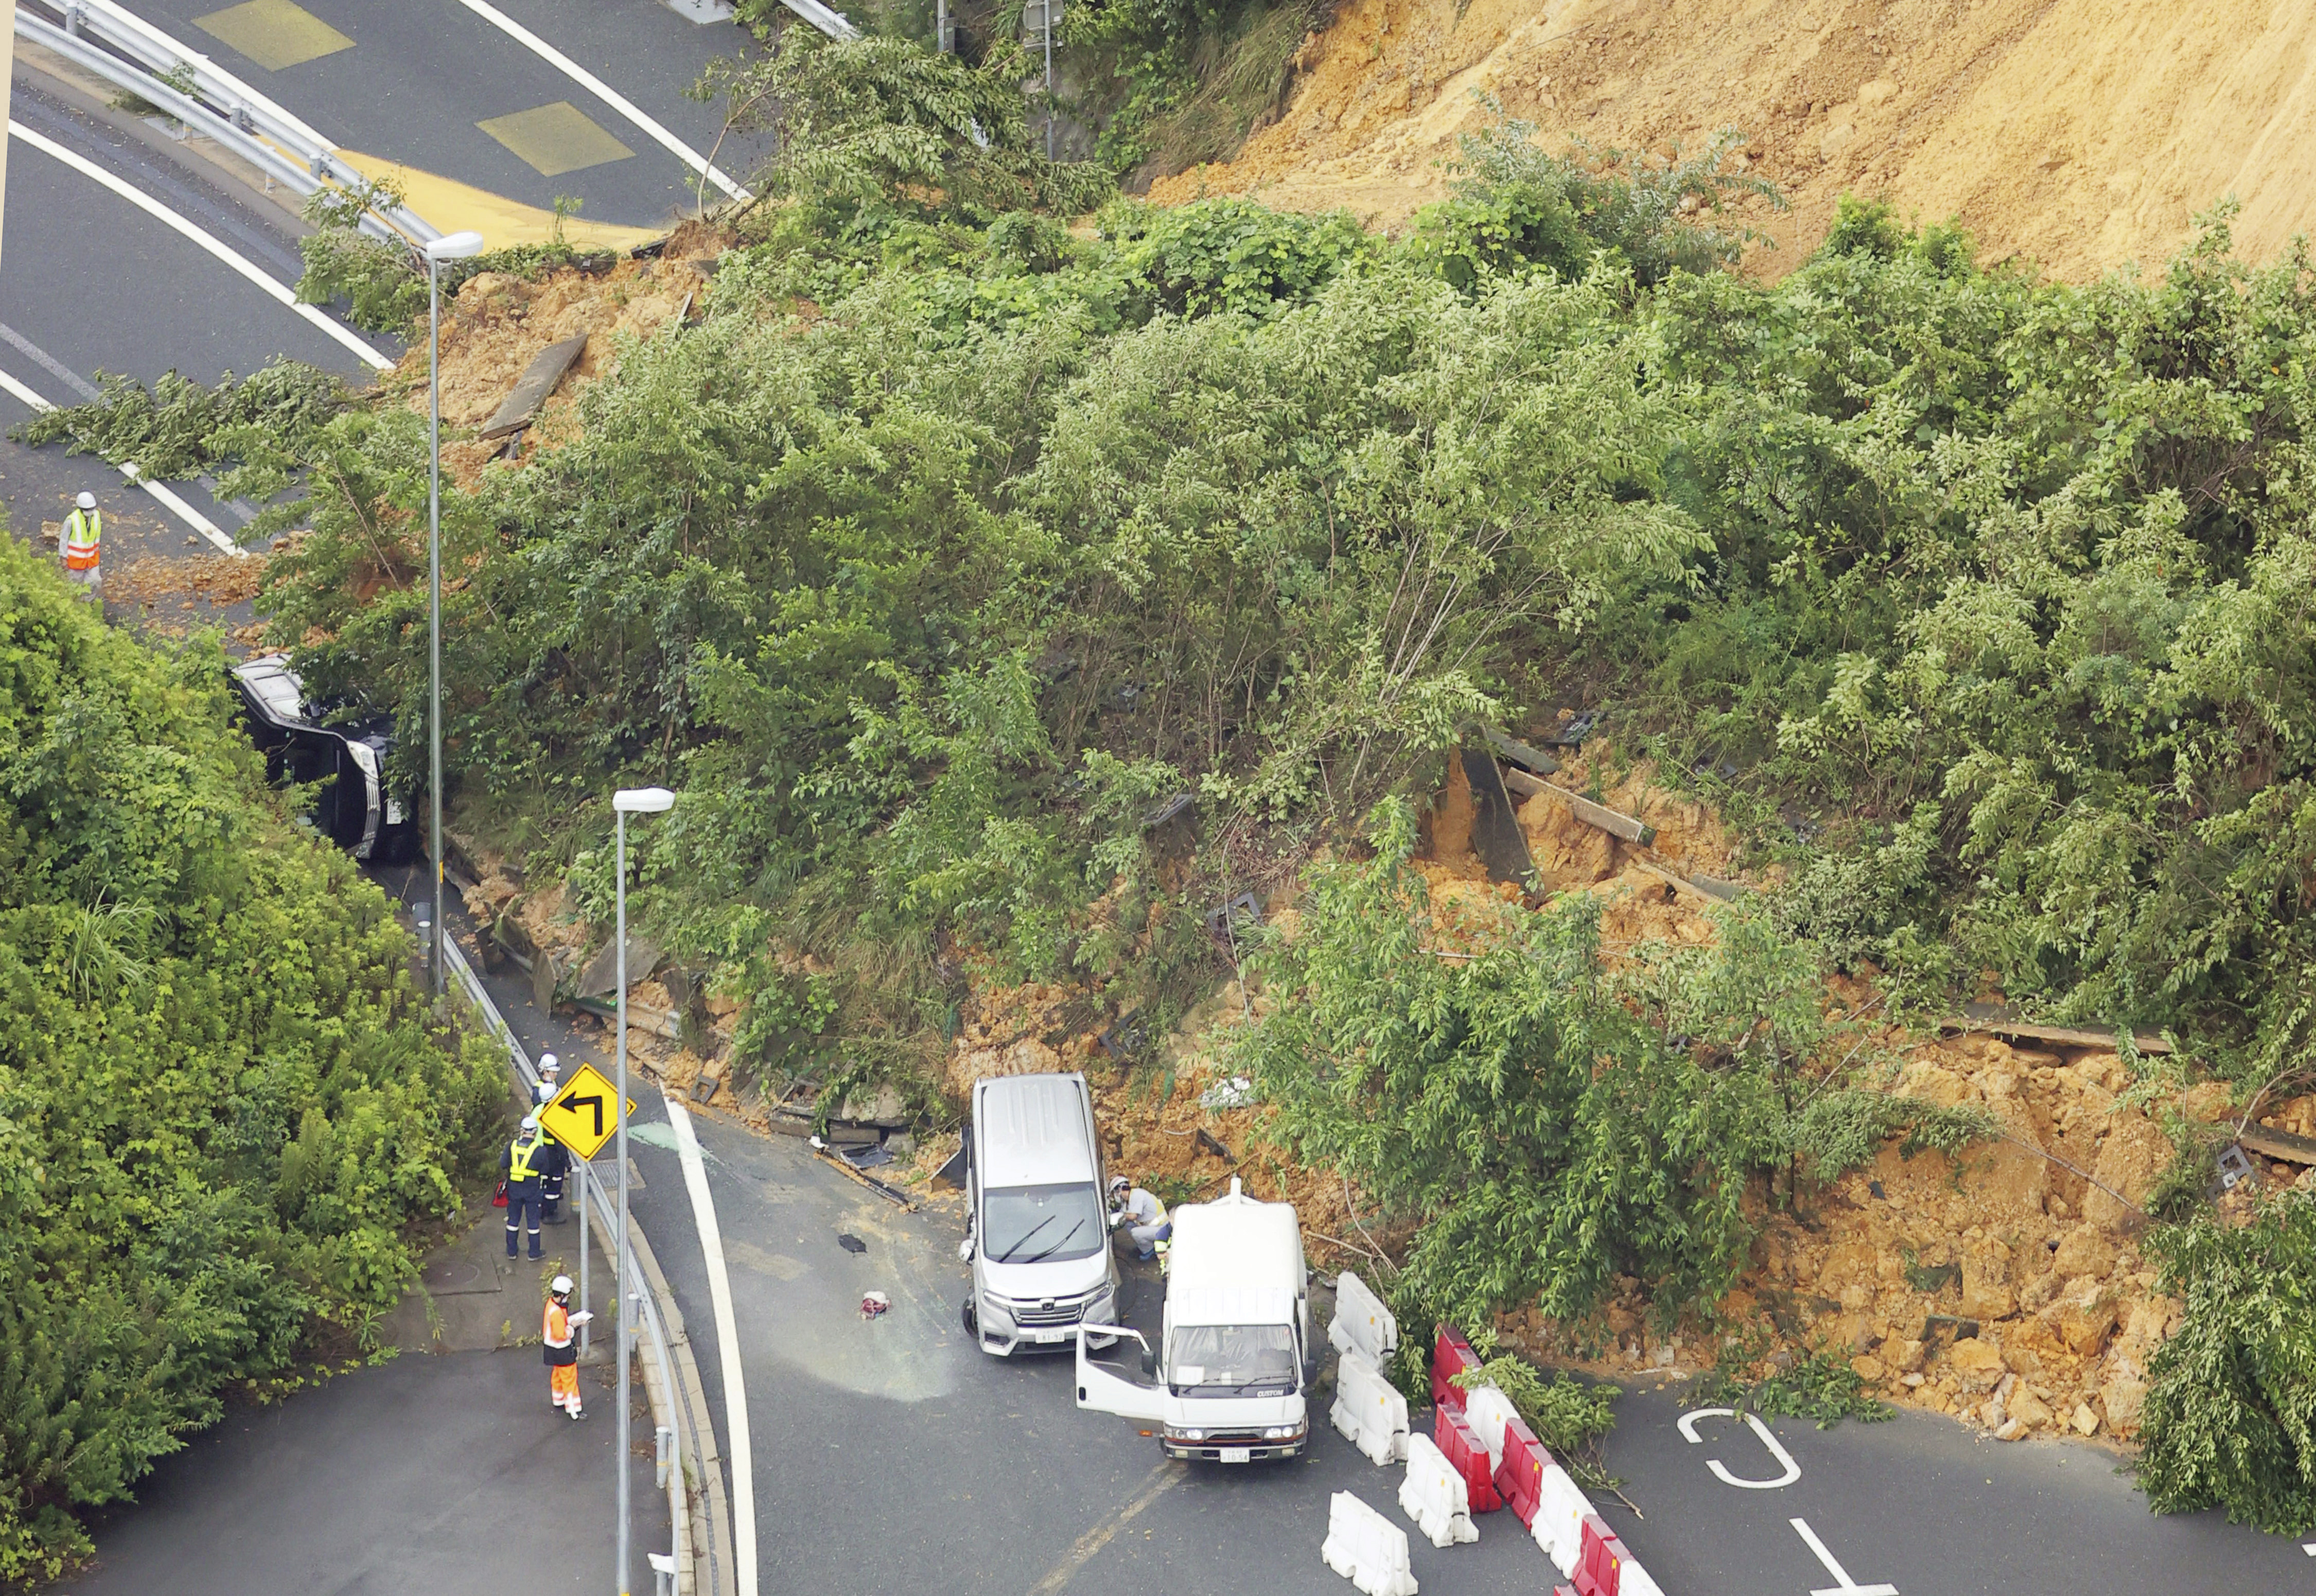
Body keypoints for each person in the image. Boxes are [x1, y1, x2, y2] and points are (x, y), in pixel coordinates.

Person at [543, 1274, 592, 1420]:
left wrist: (572, 1322)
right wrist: (574, 1326)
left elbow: (559, 1326)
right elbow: (561, 1334)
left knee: (558, 1375)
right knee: (570, 1379)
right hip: (563, 1351)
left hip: (552, 1350)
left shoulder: (552, 1306)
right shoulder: (558, 1312)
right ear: (564, 1294)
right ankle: (574, 1410)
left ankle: (558, 1400)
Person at [502, 1115, 548, 1261]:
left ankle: (512, 1252)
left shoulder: (511, 1145)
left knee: (513, 1221)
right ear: (535, 1132)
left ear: (521, 1131)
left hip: (514, 1189)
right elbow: (546, 1170)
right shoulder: (541, 1150)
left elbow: (503, 1164)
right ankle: (534, 1253)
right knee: (533, 1222)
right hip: (532, 1190)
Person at [1108, 1175, 1171, 1261]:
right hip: (1153, 1226)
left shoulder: (1137, 1195)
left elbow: (1133, 1216)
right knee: (1128, 1224)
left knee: (1135, 1232)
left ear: (1119, 1189)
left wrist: (1122, 1216)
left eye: (1114, 1192)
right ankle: (1144, 1244)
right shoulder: (1127, 1200)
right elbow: (1123, 1214)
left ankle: (1149, 1250)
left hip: (1162, 1229)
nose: (1114, 1195)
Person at [60, 491, 100, 598]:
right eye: (88, 510)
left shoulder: (96, 516)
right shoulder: (72, 520)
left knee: (95, 581)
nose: (90, 511)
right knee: (74, 586)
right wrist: (63, 558)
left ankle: (87, 604)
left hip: (92, 559)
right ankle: (74, 607)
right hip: (76, 562)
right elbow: (64, 539)